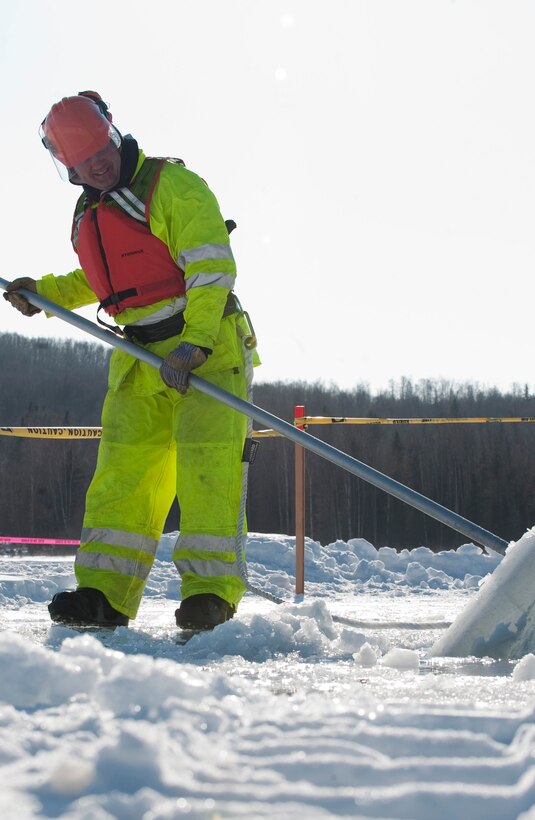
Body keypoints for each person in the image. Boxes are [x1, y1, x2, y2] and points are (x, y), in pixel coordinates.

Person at [4, 91, 258, 631]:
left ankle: (210, 596)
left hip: (205, 348)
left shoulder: (172, 187)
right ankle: (105, 594)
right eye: (84, 163)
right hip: (138, 357)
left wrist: (196, 345)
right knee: (123, 477)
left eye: (103, 151)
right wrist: (42, 295)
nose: (99, 166)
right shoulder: (89, 212)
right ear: (68, 168)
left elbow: (211, 267)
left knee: (207, 471)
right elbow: (101, 282)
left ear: (115, 134)